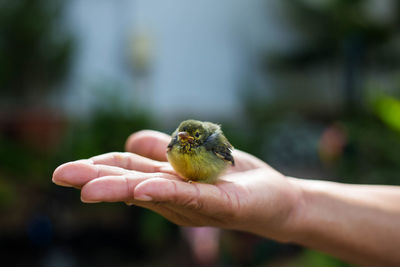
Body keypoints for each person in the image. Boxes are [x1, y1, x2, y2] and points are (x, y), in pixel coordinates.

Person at [52, 130, 400, 267]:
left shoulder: (213, 148)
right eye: (178, 142)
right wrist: (296, 203)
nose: (179, 145)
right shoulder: (175, 149)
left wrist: (295, 203)